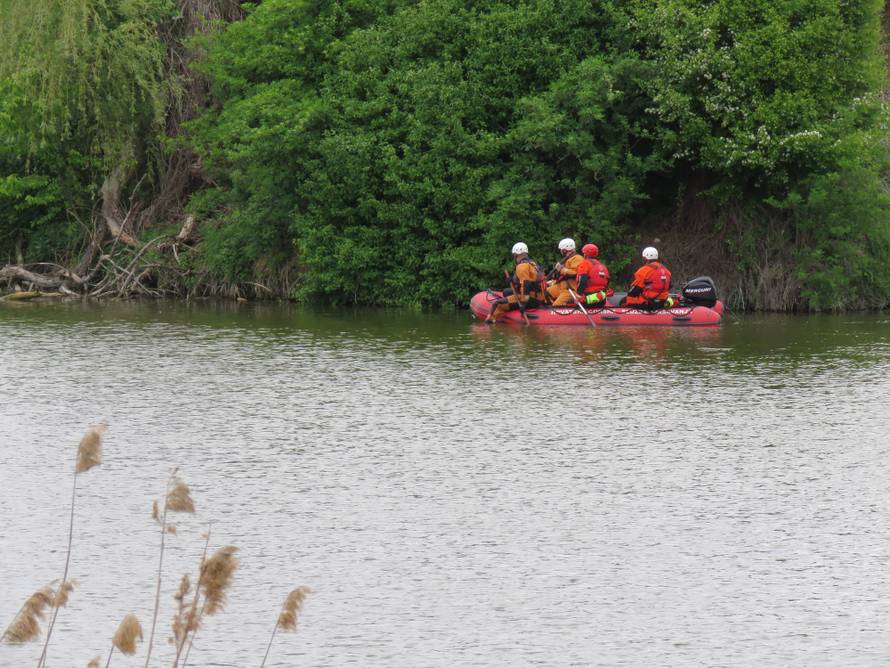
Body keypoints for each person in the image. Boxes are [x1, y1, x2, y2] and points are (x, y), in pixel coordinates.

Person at [484, 242, 545, 323]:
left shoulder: (522, 266)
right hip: (537, 296)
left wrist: (523, 304)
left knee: (498, 304)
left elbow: (526, 284)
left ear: (517, 254)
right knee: (506, 292)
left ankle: (489, 322)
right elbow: (527, 280)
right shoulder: (532, 263)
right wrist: (512, 280)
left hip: (531, 299)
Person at [546, 238, 586, 306]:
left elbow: (574, 273)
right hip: (560, 287)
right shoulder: (567, 259)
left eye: (561, 250)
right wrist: (552, 282)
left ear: (564, 250)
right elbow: (562, 277)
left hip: (570, 290)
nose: (561, 251)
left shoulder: (577, 258)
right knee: (544, 293)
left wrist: (561, 269)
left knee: (556, 306)